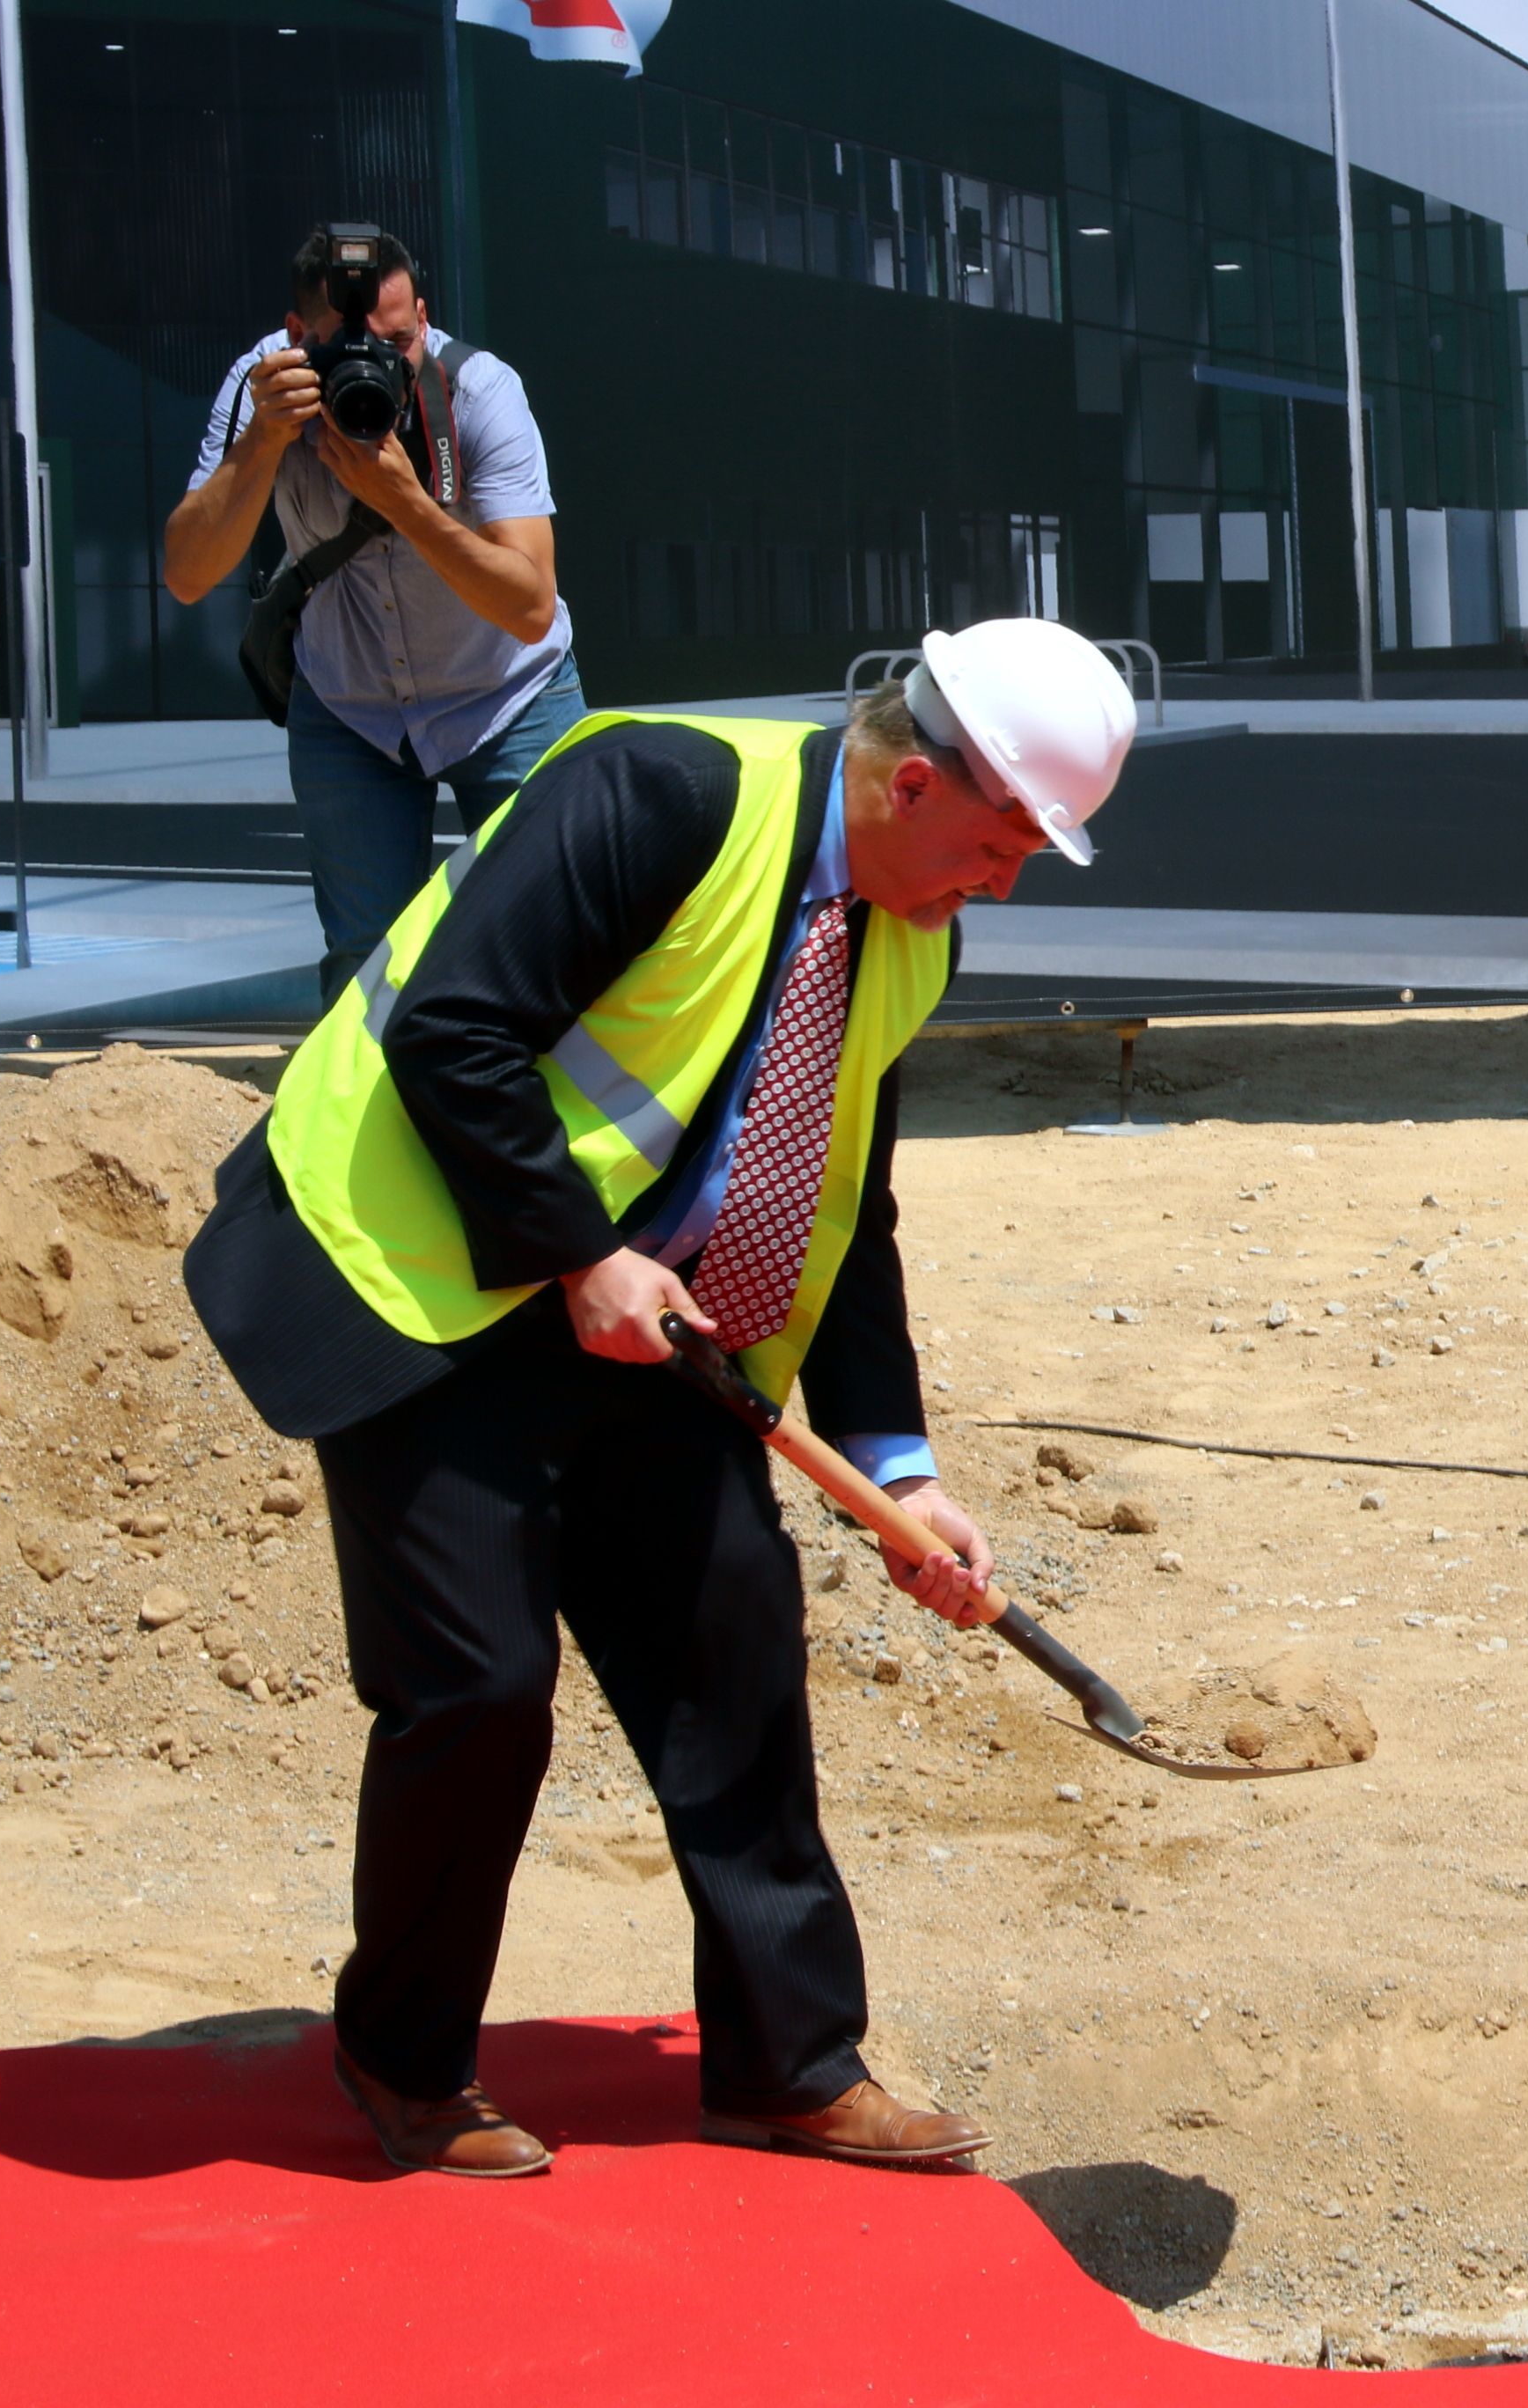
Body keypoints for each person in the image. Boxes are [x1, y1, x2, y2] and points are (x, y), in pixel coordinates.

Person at [184, 619, 1136, 2179]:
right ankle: (404, 2059)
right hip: (428, 1277)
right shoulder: (655, 792)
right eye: (1000, 841)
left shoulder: (909, 931)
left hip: (651, 1328)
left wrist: (899, 1466)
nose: (1003, 883)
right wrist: (579, 1251)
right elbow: (453, 1028)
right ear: (910, 784)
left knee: (735, 1650)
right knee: (477, 1690)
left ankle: (788, 2063)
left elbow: (846, 1207)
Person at [163, 224, 585, 1005]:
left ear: (423, 316)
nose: (378, 365)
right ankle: (371, 1119)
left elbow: (529, 609)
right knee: (366, 960)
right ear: (297, 338)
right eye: (344, 346)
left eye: (399, 340)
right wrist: (261, 443)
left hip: (507, 693)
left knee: (553, 937)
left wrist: (404, 501)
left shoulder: (481, 389)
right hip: (350, 704)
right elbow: (187, 575)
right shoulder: (260, 387)